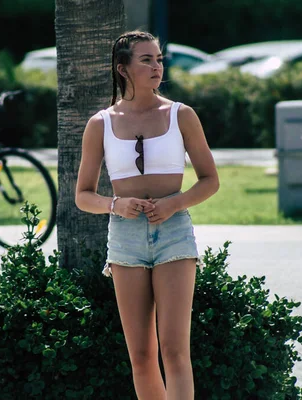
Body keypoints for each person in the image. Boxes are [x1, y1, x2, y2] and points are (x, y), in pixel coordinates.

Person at [75, 30, 219, 400]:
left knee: (174, 351)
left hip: (173, 232)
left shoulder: (180, 115)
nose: (157, 67)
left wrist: (174, 203)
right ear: (123, 69)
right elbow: (83, 196)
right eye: (147, 60)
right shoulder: (100, 124)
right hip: (125, 237)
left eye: (159, 59)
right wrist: (114, 204)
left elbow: (210, 181)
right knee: (141, 355)